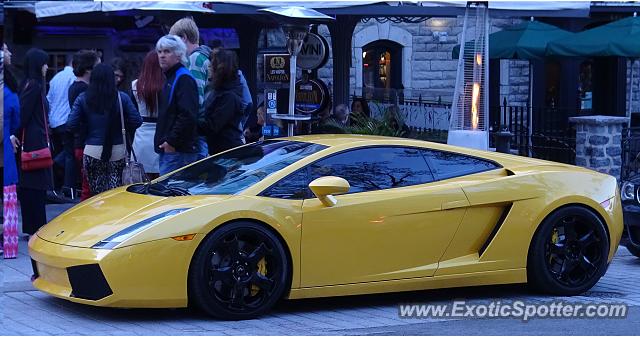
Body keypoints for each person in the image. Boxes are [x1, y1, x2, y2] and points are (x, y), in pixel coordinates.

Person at [68, 64, 142, 196]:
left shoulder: (83, 98)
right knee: (116, 194)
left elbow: (71, 125)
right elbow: (137, 120)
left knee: (96, 195)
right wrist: (122, 127)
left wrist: (85, 129)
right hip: (118, 149)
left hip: (92, 149)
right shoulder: (122, 98)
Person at [17, 48, 53, 238]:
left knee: (31, 185)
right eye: (45, 63)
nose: (47, 67)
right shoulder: (35, 86)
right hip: (33, 142)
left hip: (31, 140)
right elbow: (23, 114)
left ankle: (32, 225)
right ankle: (37, 225)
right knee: (36, 185)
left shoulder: (28, 84)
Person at [154, 35, 199, 175]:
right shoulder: (171, 77)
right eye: (160, 51)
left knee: (171, 194)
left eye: (167, 51)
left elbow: (187, 115)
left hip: (178, 152)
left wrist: (171, 142)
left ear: (179, 55)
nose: (162, 55)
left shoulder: (183, 78)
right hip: (172, 151)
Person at [170, 17, 212, 160]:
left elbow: (197, 101)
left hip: (199, 135)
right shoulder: (205, 56)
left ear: (184, 38)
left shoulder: (195, 60)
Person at [198, 49, 244, 155]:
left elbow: (212, 125)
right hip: (219, 151)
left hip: (228, 153)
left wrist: (191, 122)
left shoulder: (229, 97)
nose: (209, 68)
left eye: (211, 65)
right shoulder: (219, 90)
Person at [69, 50, 100, 201]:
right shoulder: (84, 90)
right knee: (89, 188)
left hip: (81, 141)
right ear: (89, 68)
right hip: (85, 142)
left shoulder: (75, 86)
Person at [46, 57, 76, 196]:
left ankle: (57, 183)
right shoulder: (73, 77)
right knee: (69, 154)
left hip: (54, 121)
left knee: (61, 151)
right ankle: (55, 166)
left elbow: (49, 99)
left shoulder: (55, 78)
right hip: (65, 119)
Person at [131, 50, 163, 179]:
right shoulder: (166, 85)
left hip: (141, 136)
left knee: (142, 184)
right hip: (161, 136)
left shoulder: (135, 85)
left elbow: (132, 113)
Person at [3, 43, 21, 258]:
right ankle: (8, 247)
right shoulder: (9, 93)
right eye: (6, 49)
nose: (10, 52)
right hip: (5, 155)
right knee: (7, 199)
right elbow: (16, 118)